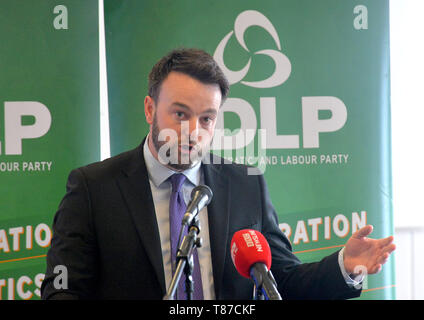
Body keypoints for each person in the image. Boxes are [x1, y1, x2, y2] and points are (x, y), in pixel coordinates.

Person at [41, 48, 395, 300]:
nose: (193, 131)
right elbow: (63, 290)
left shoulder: (245, 184)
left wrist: (344, 267)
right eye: (180, 114)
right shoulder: (93, 188)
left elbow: (281, 280)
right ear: (150, 109)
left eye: (206, 118)